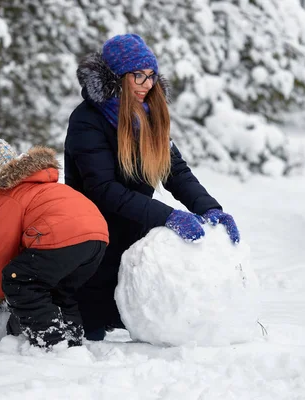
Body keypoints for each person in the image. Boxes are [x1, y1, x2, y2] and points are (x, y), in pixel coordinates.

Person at [64, 33, 240, 341]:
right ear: (118, 77)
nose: (147, 84)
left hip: (133, 236)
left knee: (140, 324)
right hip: (93, 244)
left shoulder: (147, 116)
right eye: (138, 76)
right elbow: (102, 188)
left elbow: (175, 171)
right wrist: (168, 216)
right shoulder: (87, 121)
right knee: (90, 337)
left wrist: (209, 208)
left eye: (151, 76)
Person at [0, 121, 109, 348]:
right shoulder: (40, 184)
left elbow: (2, 250)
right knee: (61, 289)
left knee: (19, 279)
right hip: (97, 237)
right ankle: (72, 340)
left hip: (63, 238)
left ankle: (52, 342)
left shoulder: (5, 197)